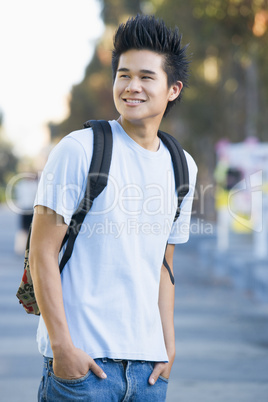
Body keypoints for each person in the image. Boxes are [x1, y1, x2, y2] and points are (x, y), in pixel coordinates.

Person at [30, 14, 197, 401]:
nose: (131, 86)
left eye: (145, 77)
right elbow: (42, 253)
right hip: (83, 368)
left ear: (173, 89)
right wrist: (62, 349)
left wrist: (168, 347)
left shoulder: (182, 165)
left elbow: (164, 265)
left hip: (149, 373)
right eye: (123, 75)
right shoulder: (79, 149)